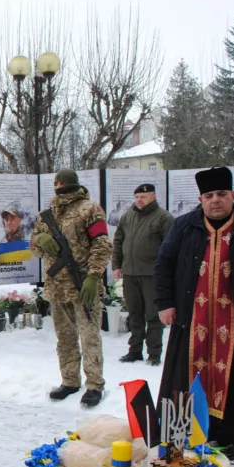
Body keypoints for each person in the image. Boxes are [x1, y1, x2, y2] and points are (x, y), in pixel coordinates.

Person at [155, 166, 234, 463]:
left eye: (222, 194)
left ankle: (231, 438)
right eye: (209, 195)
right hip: (192, 318)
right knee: (188, 376)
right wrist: (165, 303)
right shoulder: (185, 226)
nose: (216, 200)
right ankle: (184, 430)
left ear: (233, 195)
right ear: (200, 198)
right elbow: (164, 265)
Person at [30, 169, 112, 408]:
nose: (59, 186)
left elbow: (102, 244)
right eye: (56, 183)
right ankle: (70, 381)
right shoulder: (46, 214)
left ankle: (95, 385)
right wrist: (39, 242)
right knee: (64, 338)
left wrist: (94, 276)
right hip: (57, 287)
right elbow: (33, 246)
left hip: (83, 285)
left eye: (62, 183)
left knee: (89, 337)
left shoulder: (90, 209)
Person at [112, 183, 175, 366]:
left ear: (153, 197)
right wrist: (117, 265)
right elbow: (118, 242)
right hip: (130, 273)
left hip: (152, 275)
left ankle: (154, 353)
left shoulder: (164, 218)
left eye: (144, 197)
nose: (140, 200)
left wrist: (166, 272)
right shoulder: (127, 216)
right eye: (137, 196)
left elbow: (170, 248)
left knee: (153, 315)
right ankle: (134, 350)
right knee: (134, 314)